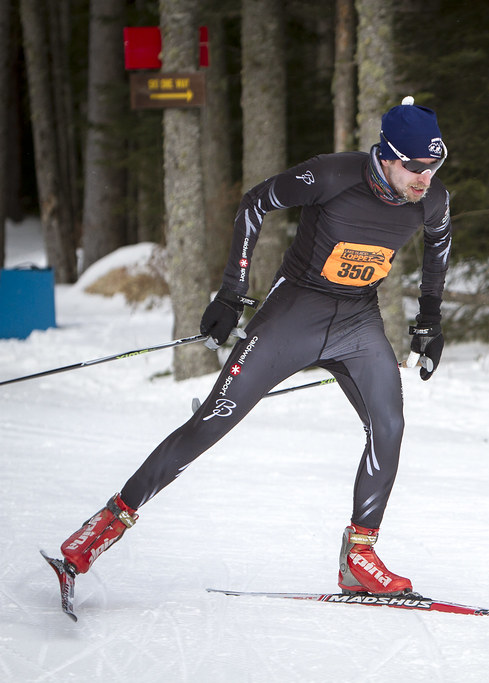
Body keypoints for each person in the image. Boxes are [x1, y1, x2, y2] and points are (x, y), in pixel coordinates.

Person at [56, 97, 451, 596]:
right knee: (210, 424)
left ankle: (359, 558)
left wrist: (430, 321)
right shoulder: (331, 175)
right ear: (388, 156)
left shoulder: (431, 198)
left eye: (435, 166)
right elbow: (255, 201)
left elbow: (439, 244)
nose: (426, 178)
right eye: (416, 167)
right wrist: (231, 293)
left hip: (357, 321)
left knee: (389, 425)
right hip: (293, 316)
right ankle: (101, 530)